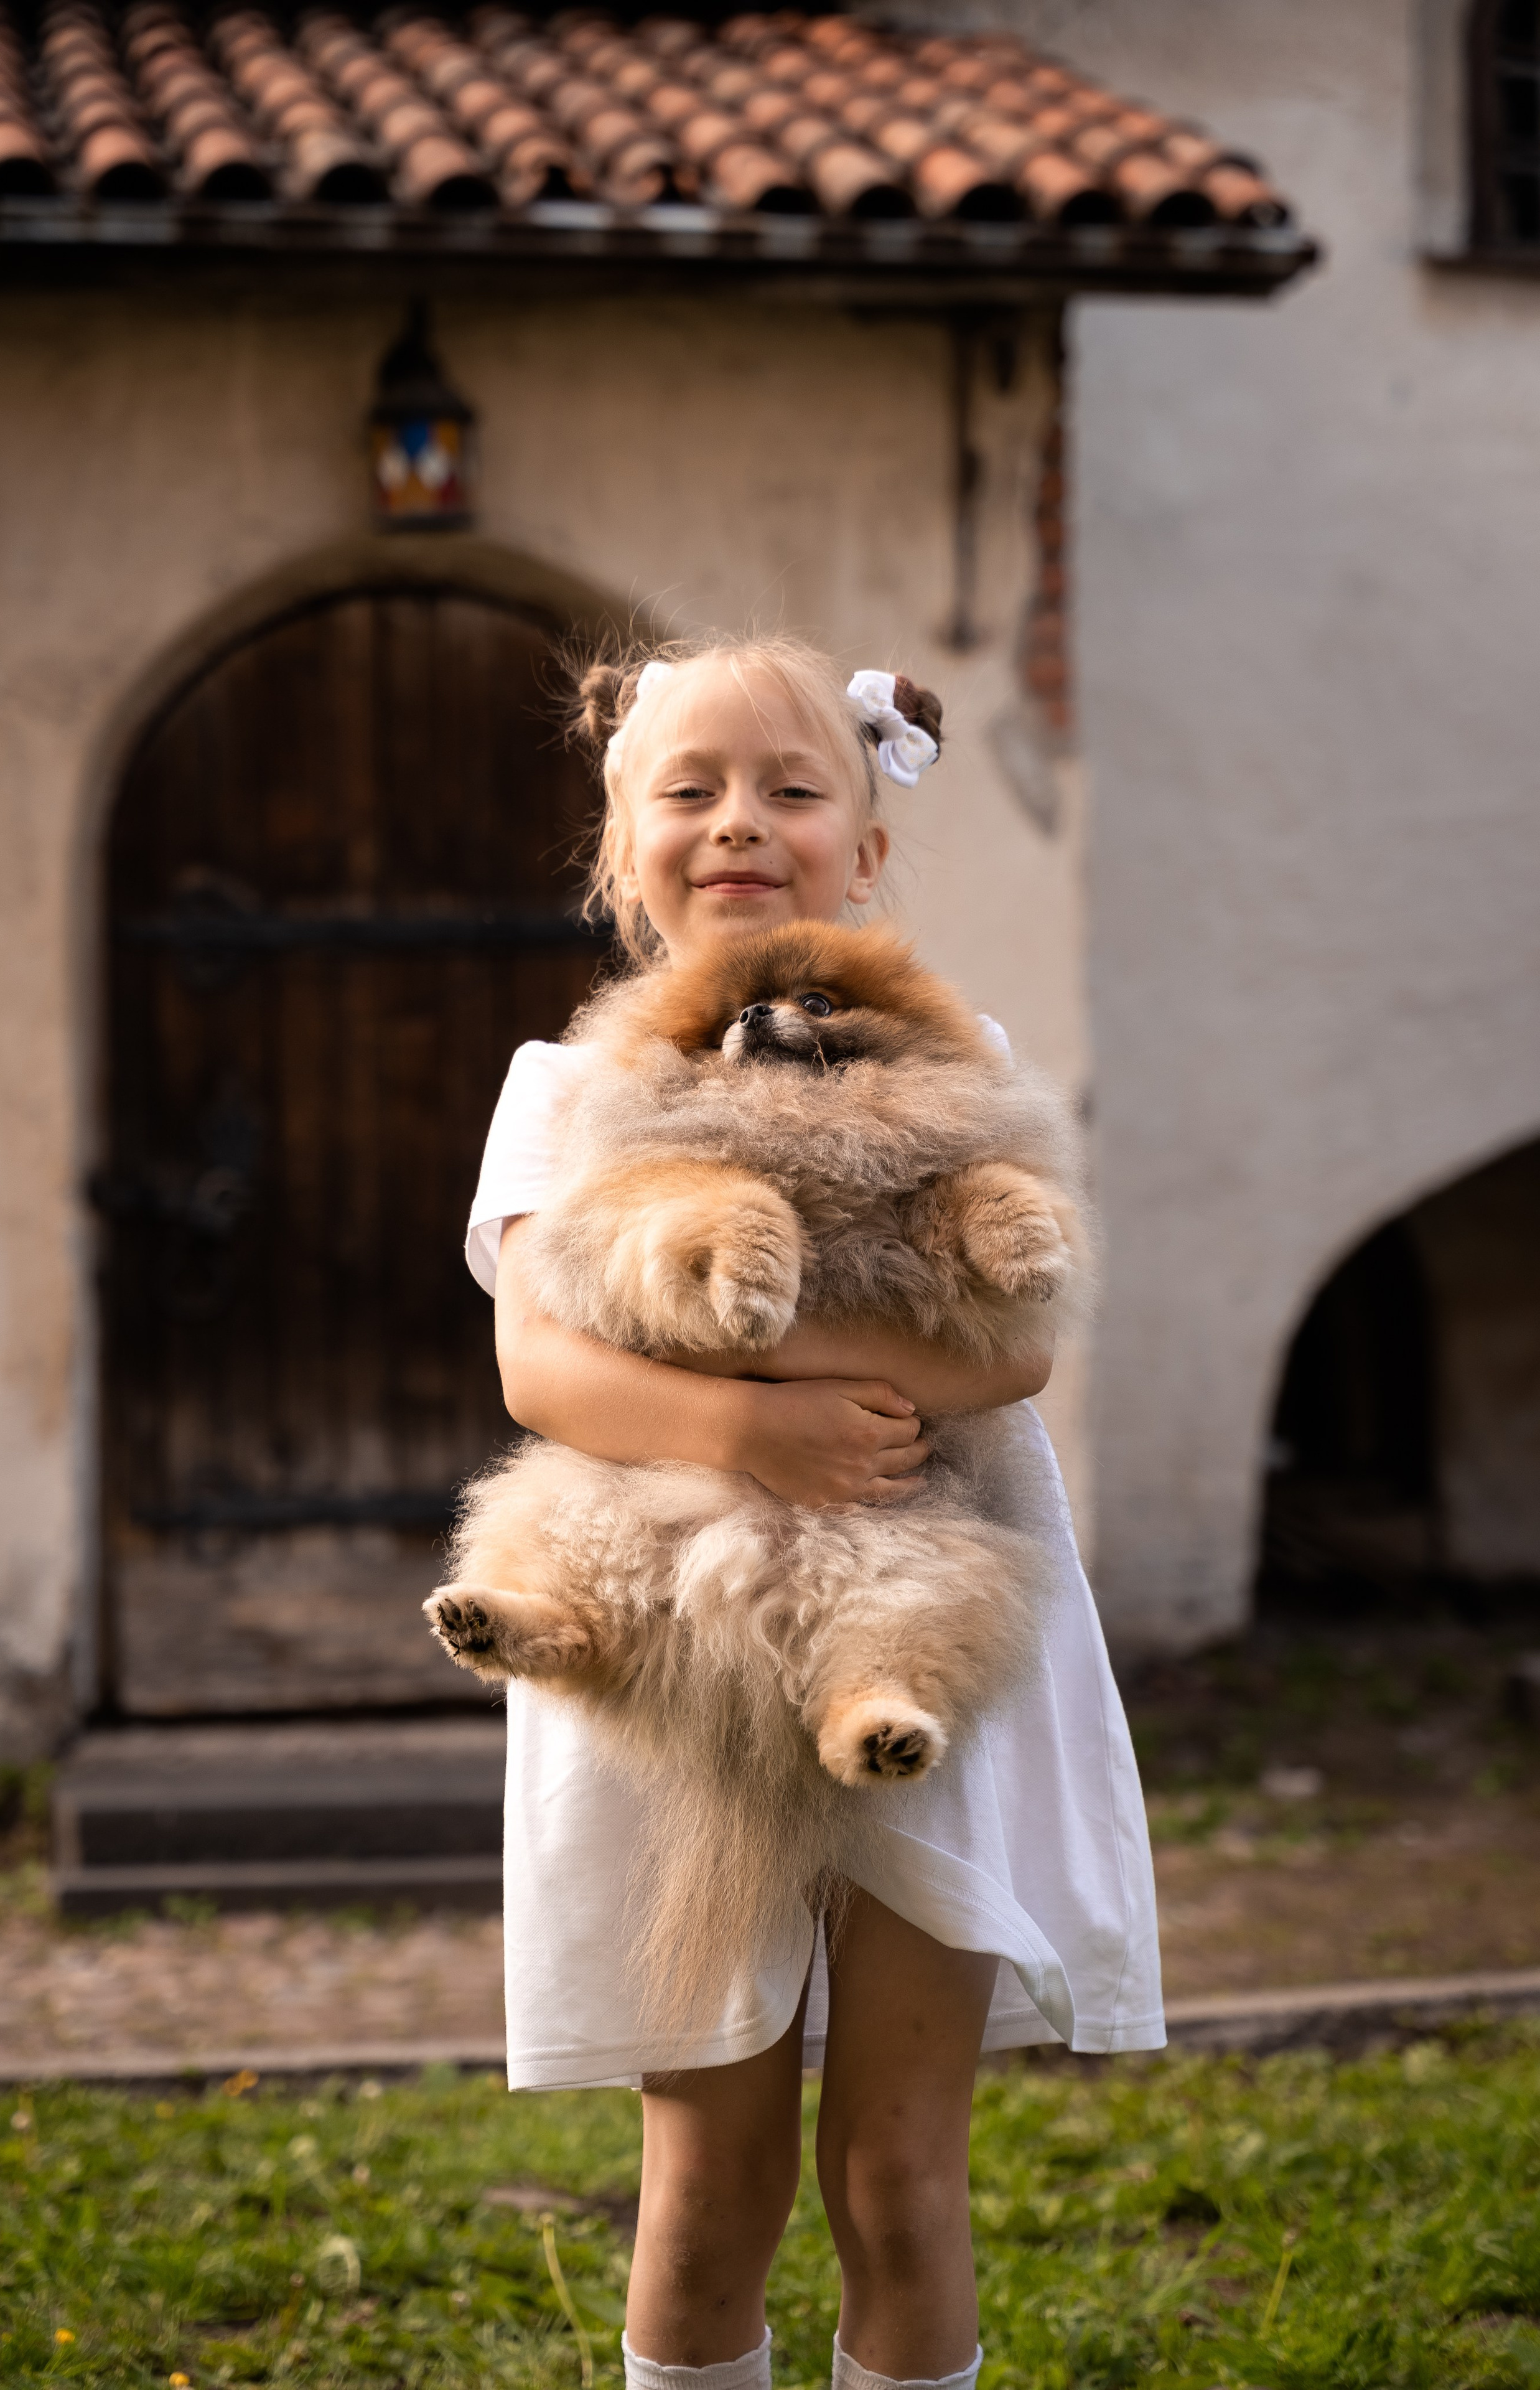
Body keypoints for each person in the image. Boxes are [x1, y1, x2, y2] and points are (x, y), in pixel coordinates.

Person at [464, 634, 1164, 2390]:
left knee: (901, 2175)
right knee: (709, 2179)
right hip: (675, 1658)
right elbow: (546, 1372)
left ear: (867, 844)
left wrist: (783, 1332)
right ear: (627, 857)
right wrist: (753, 1424)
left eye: (790, 788)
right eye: (687, 792)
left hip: (929, 1634)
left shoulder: (956, 1056)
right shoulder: (565, 1091)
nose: (737, 824)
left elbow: (1006, 1349)